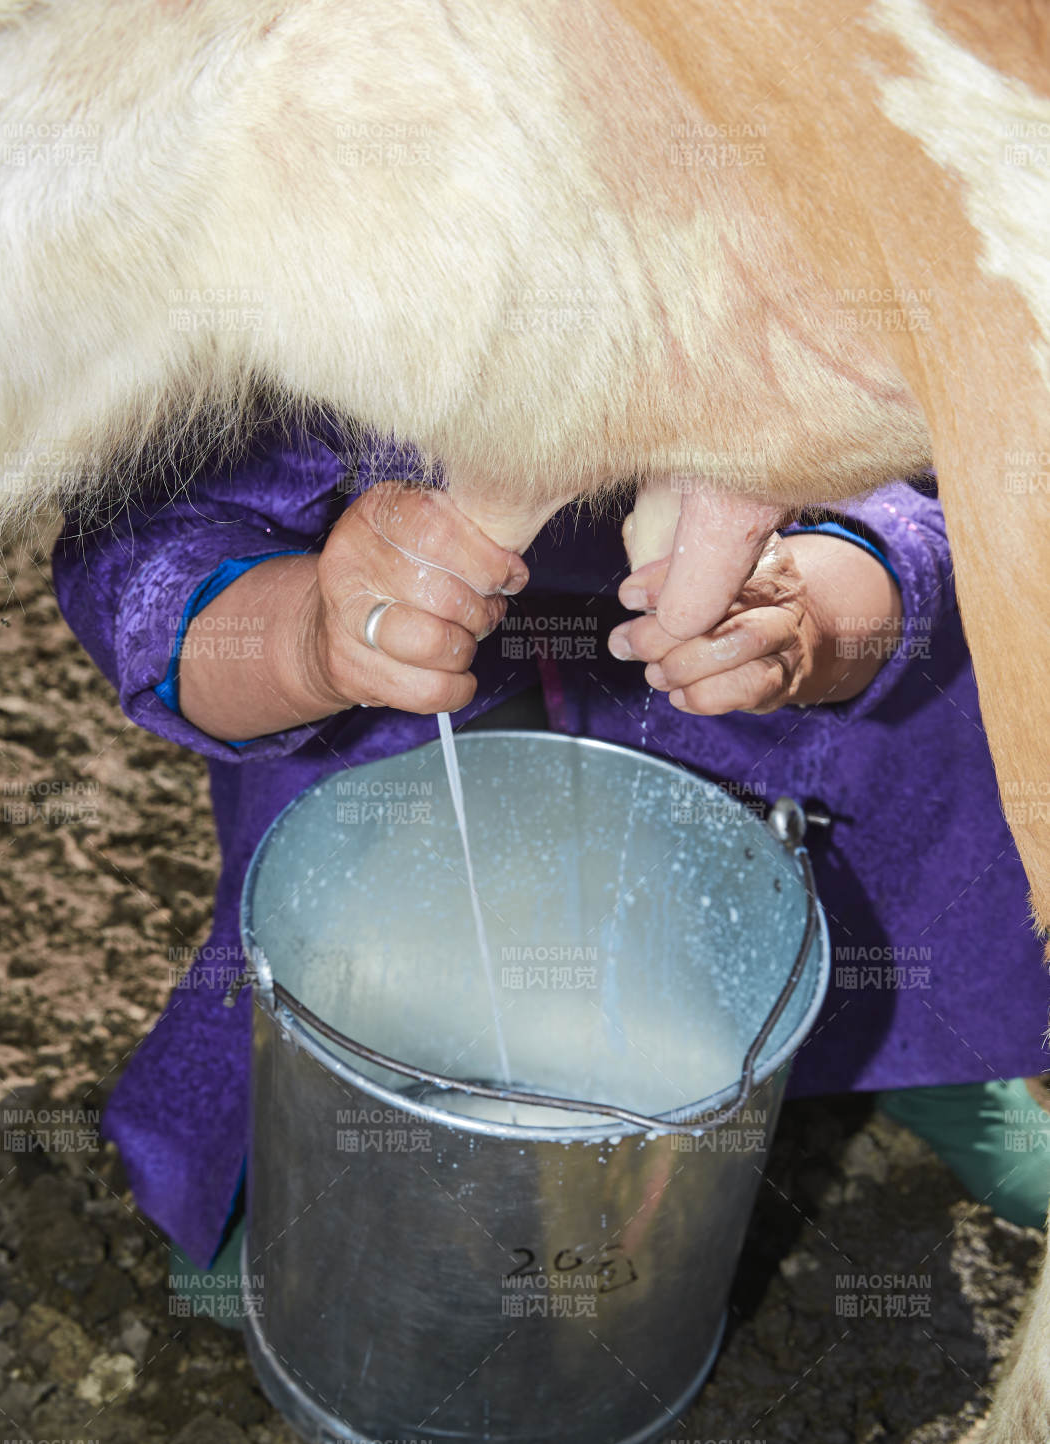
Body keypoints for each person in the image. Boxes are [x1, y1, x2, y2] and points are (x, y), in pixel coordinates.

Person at [53, 413, 1050, 1325]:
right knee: (388, 922)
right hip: (406, 703)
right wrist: (308, 640)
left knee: (901, 819)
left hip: (761, 649)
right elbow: (150, 550)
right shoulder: (281, 329)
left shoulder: (797, 284)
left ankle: (910, 1043)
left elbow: (946, 470)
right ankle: (303, 1133)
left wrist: (822, 607)